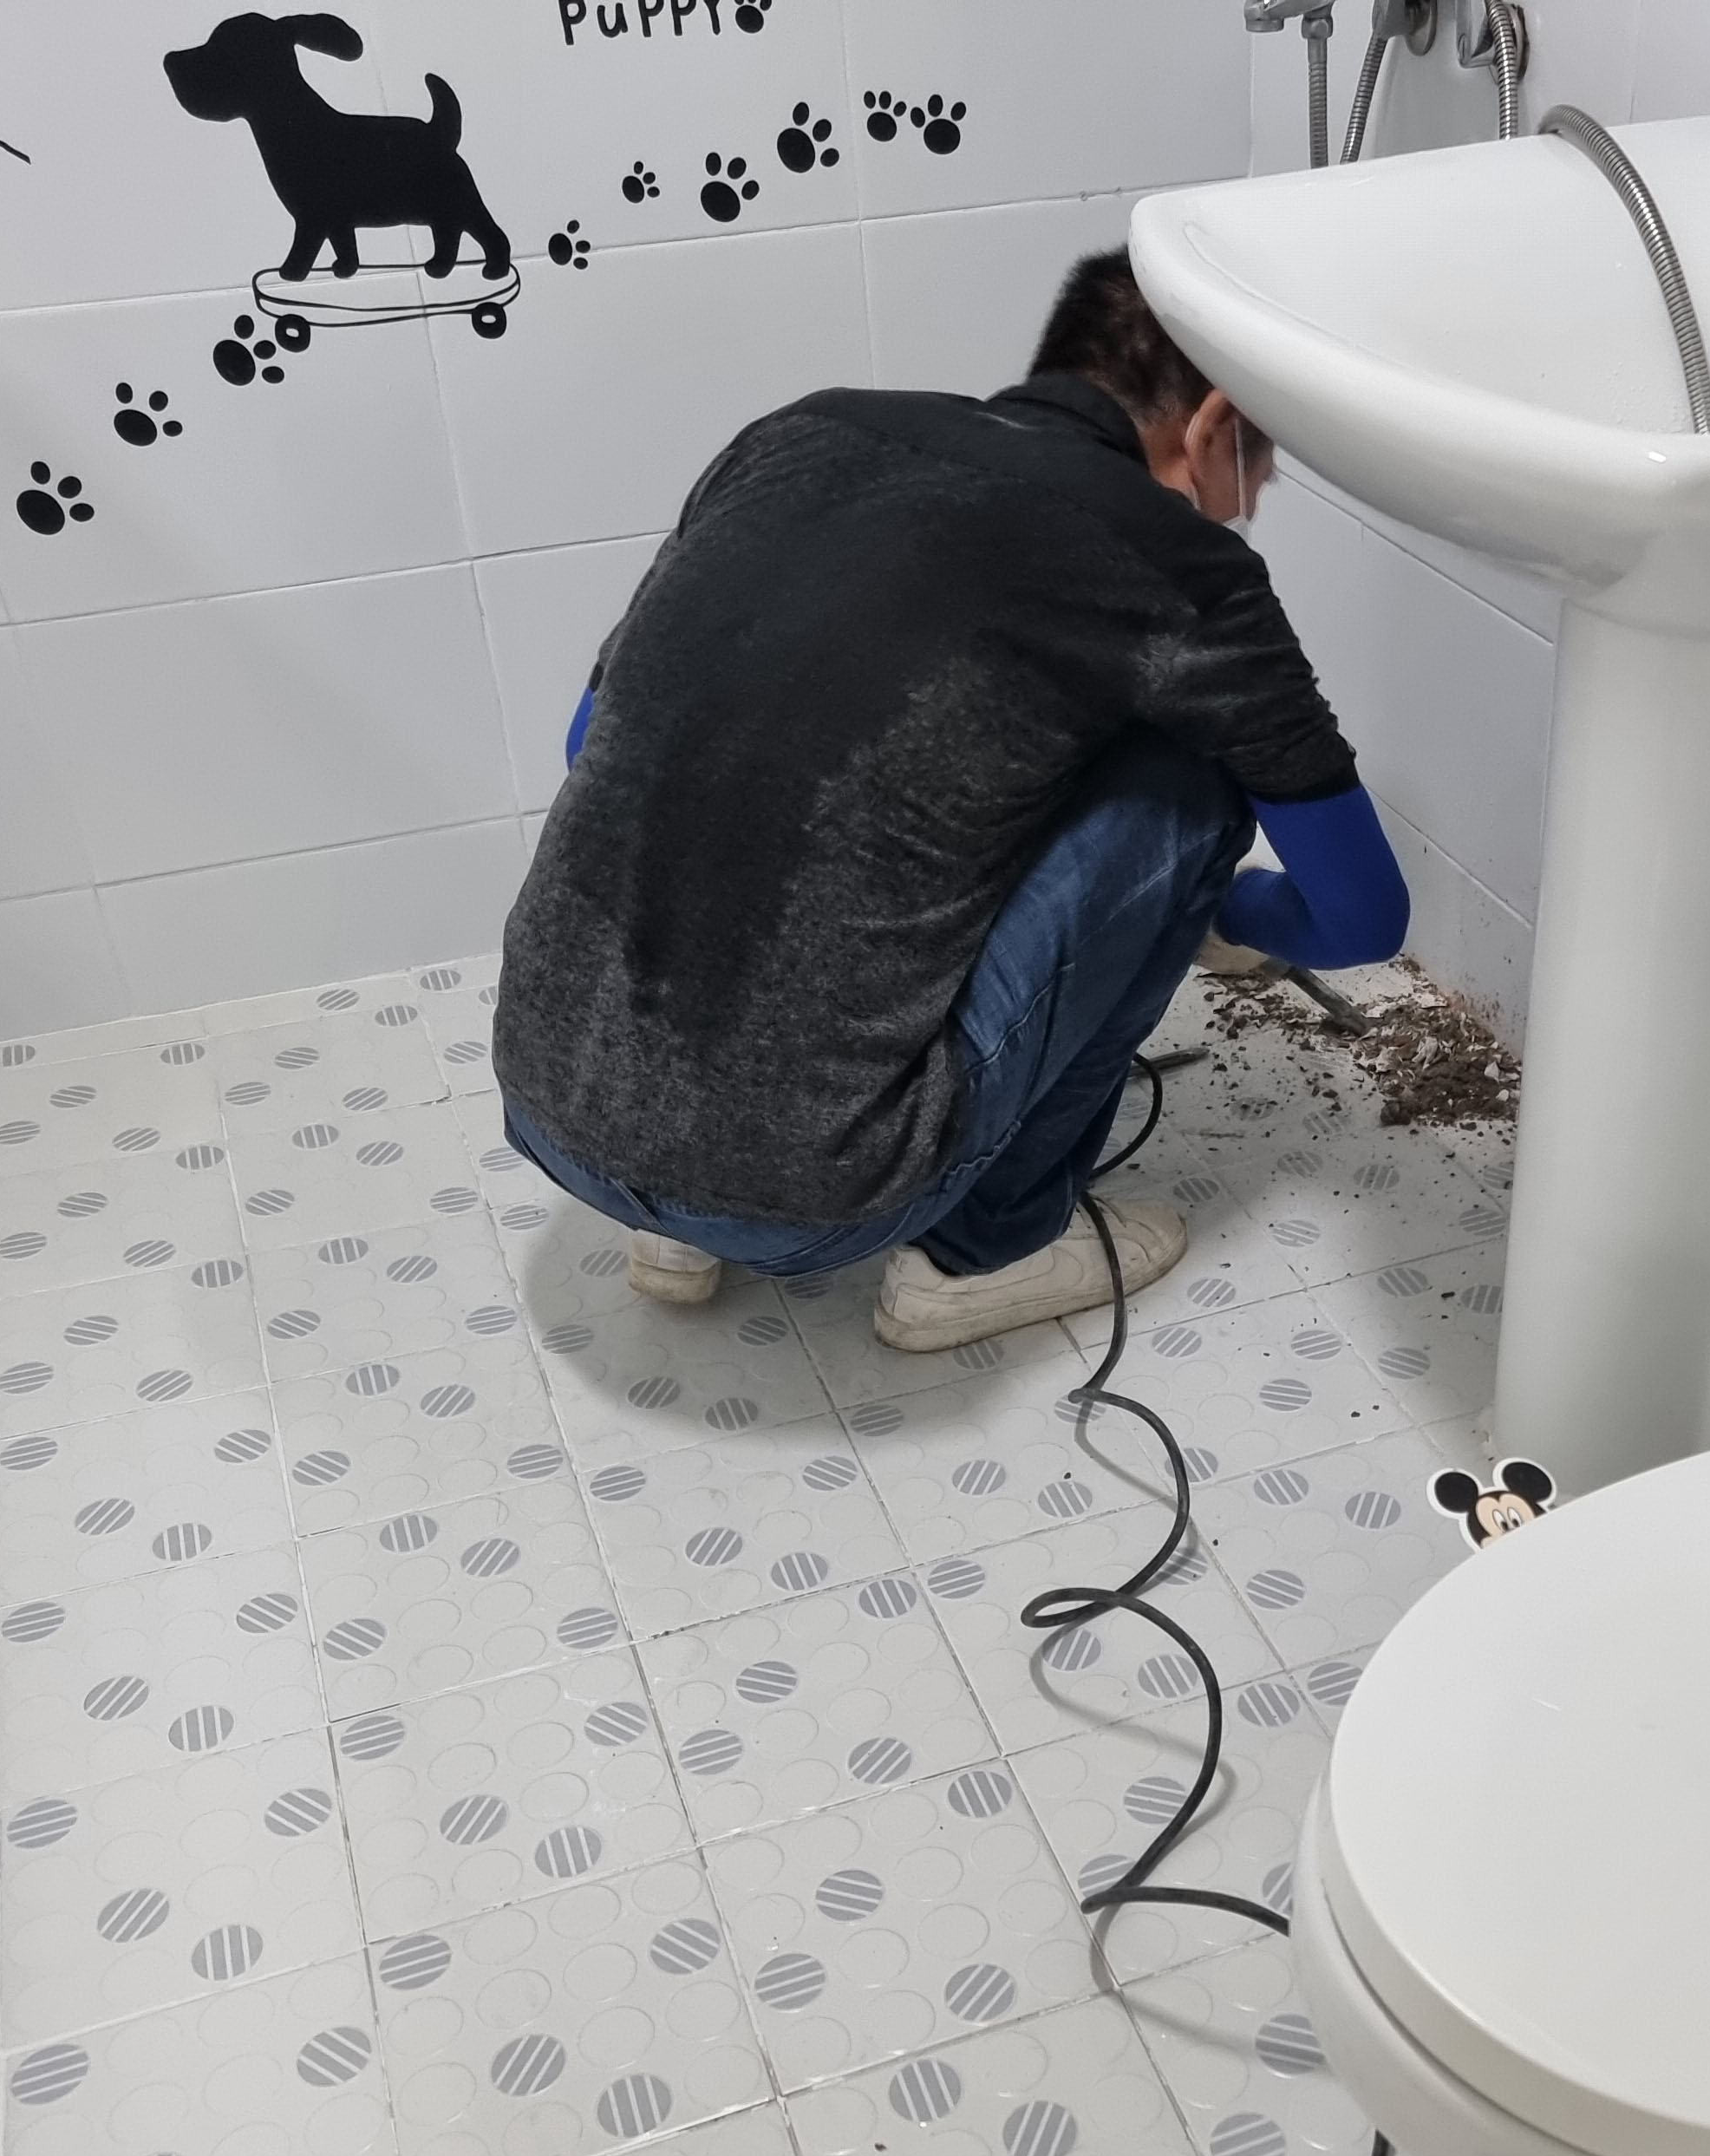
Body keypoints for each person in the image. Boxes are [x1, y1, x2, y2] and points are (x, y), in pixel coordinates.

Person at [492, 249, 1406, 1351]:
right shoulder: (1178, 567)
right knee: (1192, 786)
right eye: (1266, 461)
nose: (1258, 497)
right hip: (804, 1201)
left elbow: (590, 742)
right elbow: (1363, 919)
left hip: (546, 1095)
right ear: (1215, 423)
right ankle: (983, 1254)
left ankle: (670, 1227)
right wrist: (1217, 910)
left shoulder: (799, 434)